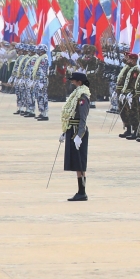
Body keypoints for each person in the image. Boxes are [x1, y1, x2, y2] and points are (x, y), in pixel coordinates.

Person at [60, 71, 92, 201]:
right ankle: (80, 190)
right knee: (76, 163)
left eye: (73, 80)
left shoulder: (83, 97)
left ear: (79, 82)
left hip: (78, 132)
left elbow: (83, 118)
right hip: (71, 130)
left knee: (80, 163)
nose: (72, 82)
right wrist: (64, 131)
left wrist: (79, 135)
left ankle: (82, 191)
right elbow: (70, 115)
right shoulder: (76, 94)